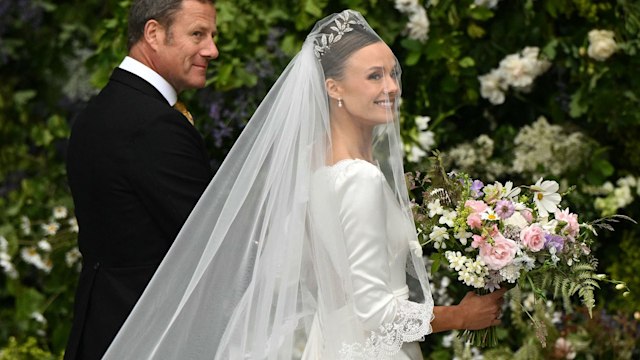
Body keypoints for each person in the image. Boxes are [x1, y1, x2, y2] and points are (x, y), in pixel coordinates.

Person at [101, 9, 505, 359]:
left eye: (392, 74)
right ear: (333, 88)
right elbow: (376, 314)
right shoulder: (359, 179)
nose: (392, 87)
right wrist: (462, 315)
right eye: (374, 76)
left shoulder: (316, 170)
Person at [64, 0, 218, 359]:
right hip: (148, 339)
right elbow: (210, 245)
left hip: (102, 329)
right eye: (197, 34)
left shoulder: (99, 111)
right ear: (153, 33)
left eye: (211, 35)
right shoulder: (154, 125)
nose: (212, 49)